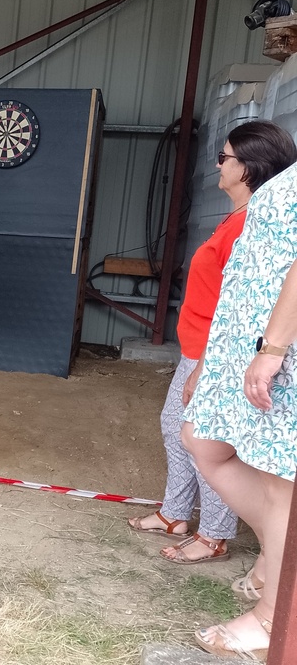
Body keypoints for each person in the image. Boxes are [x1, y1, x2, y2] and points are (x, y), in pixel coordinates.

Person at [127, 120, 297, 565]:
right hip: (199, 348)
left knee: (207, 438)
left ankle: (215, 533)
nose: (217, 165)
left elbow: (240, 304)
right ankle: (175, 513)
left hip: (213, 353)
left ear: (248, 168)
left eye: (224, 158)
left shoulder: (251, 225)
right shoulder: (237, 218)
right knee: (177, 428)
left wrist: (205, 362)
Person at [181, 143, 297, 659]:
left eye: (226, 155)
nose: (217, 163)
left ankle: (275, 617)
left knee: (281, 483)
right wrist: (214, 356)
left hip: (277, 348)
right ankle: (279, 556)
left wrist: (273, 348)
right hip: (243, 345)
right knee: (201, 440)